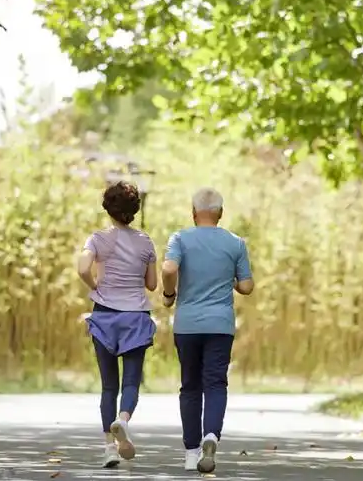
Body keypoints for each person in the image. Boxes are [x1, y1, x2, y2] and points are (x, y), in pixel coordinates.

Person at [161, 187, 254, 473]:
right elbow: (247, 286)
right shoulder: (235, 243)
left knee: (190, 386)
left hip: (188, 324)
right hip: (220, 325)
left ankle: (191, 452)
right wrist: (233, 282)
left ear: (193, 212)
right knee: (215, 383)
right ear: (220, 213)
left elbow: (168, 269)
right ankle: (211, 435)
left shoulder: (180, 238)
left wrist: (169, 295)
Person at [76, 181, 158, 469]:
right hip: (135, 315)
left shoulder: (97, 239)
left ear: (107, 208)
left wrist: (95, 284)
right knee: (132, 380)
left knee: (109, 385)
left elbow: (82, 267)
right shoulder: (146, 242)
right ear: (134, 210)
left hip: (105, 315)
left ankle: (110, 448)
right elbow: (152, 284)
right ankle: (122, 420)